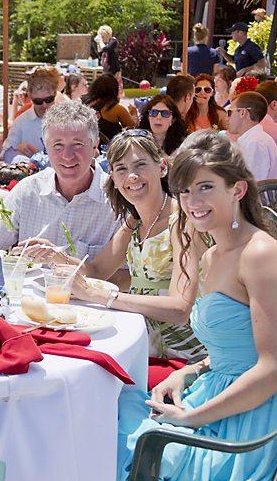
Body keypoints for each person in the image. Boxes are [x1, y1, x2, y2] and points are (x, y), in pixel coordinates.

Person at [112, 131, 277, 481]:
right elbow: (229, 347)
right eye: (184, 190)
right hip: (220, 393)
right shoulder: (213, 252)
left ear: (237, 188)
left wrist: (195, 418)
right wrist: (189, 372)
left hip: (249, 425)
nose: (191, 201)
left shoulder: (261, 254)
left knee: (112, 444)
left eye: (205, 187)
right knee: (112, 408)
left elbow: (276, 370)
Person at [29, 130, 207, 369]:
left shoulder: (182, 222)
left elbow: (179, 309)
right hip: (140, 347)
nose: (131, 176)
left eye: (140, 165)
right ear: (112, 177)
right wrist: (56, 255)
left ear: (162, 167)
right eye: (121, 169)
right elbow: (96, 272)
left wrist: (98, 296)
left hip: (182, 360)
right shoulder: (134, 223)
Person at [0, 101, 123, 268]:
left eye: (77, 144)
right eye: (58, 145)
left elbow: (128, 276)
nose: (67, 155)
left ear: (95, 146)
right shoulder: (26, 191)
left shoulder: (117, 201)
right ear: (46, 147)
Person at [0, 67, 61, 162]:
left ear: (55, 94)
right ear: (30, 96)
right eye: (38, 101)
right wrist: (17, 150)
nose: (44, 105)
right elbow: (2, 157)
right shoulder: (21, 122)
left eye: (48, 100)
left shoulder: (66, 120)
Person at [228, 91, 277, 181]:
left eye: (229, 112)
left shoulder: (255, 142)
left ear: (242, 112)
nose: (227, 118)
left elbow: (255, 184)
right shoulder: (254, 139)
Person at [86, 74, 136, 144]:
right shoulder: (116, 109)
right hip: (108, 149)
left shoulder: (86, 103)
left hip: (87, 146)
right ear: (114, 90)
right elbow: (135, 131)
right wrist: (134, 114)